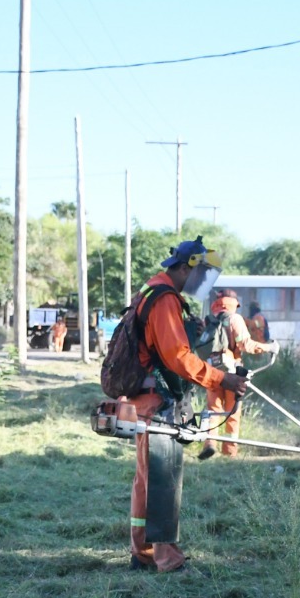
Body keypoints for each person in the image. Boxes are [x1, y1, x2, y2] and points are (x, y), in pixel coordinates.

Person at [126, 238, 249, 573]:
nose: (201, 283)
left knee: (148, 479)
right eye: (200, 274)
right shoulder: (164, 299)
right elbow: (178, 358)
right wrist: (222, 380)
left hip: (150, 396)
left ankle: (143, 551)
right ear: (184, 267)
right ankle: (165, 558)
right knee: (162, 479)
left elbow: (170, 348)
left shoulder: (153, 291)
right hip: (158, 399)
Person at [199, 289, 267, 458]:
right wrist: (267, 347)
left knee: (213, 409)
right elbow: (245, 344)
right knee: (233, 410)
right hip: (232, 371)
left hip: (211, 370)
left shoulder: (209, 319)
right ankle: (229, 451)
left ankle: (210, 442)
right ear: (234, 303)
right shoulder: (235, 319)